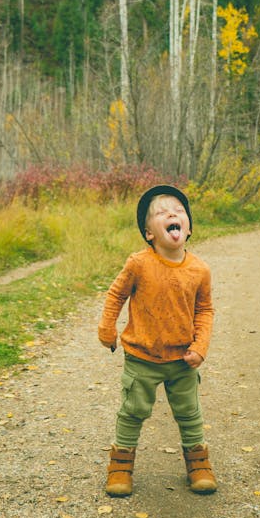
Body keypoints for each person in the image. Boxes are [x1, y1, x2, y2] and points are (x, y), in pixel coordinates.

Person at [98, 184, 217, 496]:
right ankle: (120, 465)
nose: (172, 214)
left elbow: (204, 310)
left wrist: (200, 347)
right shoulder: (139, 264)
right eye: (162, 213)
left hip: (182, 360)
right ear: (149, 232)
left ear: (188, 228)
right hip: (142, 358)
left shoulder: (200, 270)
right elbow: (116, 295)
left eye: (178, 211)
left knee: (190, 413)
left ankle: (198, 463)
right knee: (132, 411)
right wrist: (107, 328)